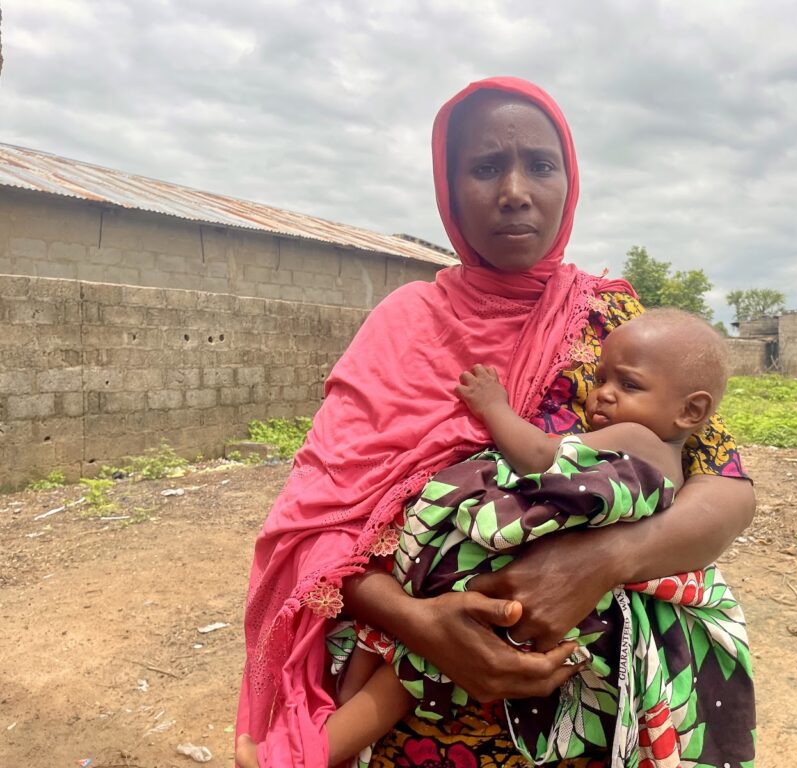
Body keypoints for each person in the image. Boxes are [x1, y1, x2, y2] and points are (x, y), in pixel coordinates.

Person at [235, 76, 756, 768]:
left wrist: (600, 563)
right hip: (417, 733)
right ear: (449, 190)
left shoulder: (620, 328)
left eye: (540, 164)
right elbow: (317, 524)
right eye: (485, 167)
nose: (515, 190)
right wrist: (417, 623)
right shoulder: (402, 325)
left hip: (584, 717)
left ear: (570, 181)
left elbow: (725, 488)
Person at [237, 309, 746, 767]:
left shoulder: (636, 434)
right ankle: (307, 748)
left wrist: (493, 405)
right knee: (401, 667)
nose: (602, 395)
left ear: (692, 412)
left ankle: (304, 752)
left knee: (397, 668)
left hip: (510, 591)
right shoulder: (671, 457)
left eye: (627, 385)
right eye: (600, 378)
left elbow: (541, 457)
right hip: (526, 612)